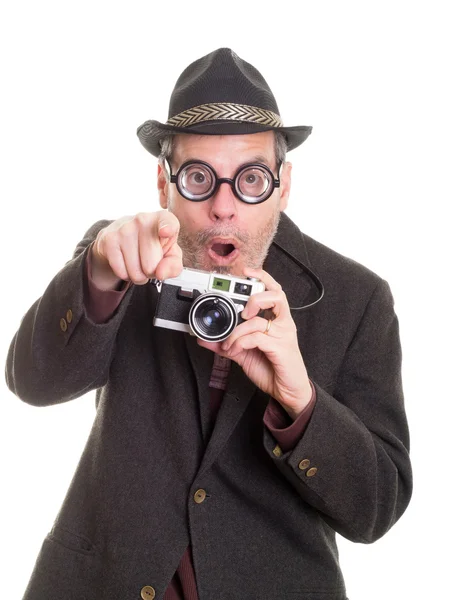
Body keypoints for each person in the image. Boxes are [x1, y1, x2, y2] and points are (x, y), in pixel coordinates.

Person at [6, 48, 412, 600]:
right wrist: (99, 275)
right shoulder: (121, 256)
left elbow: (376, 510)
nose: (224, 207)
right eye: (199, 177)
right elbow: (34, 383)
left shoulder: (356, 298)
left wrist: (302, 402)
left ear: (283, 185)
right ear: (163, 182)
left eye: (250, 179)